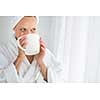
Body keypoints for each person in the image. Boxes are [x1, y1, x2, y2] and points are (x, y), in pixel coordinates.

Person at [0, 16, 64, 83]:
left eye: (33, 29)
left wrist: (41, 62)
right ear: (14, 28)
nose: (28, 34)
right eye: (23, 29)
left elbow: (59, 79)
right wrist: (20, 58)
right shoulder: (3, 52)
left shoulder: (44, 52)